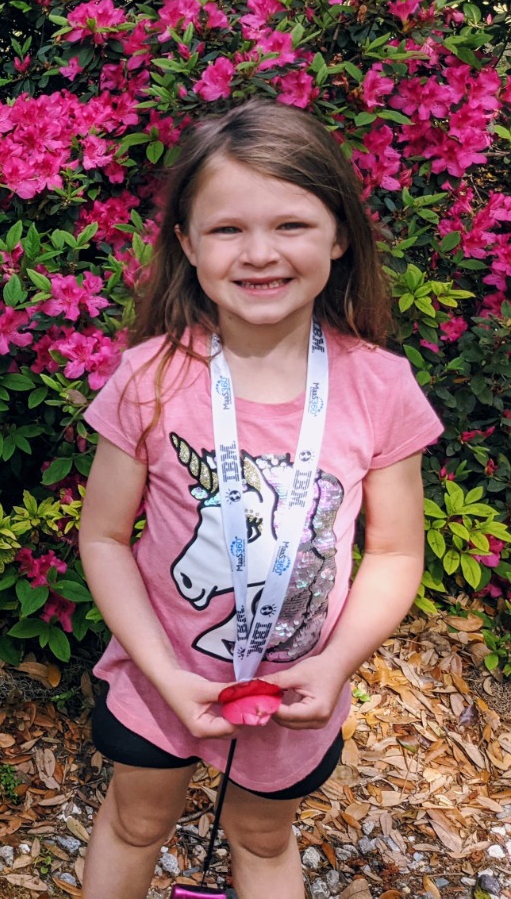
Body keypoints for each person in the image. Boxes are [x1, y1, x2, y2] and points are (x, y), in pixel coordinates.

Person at [77, 101, 442, 899]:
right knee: (135, 822)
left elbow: (394, 551)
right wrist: (164, 675)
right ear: (186, 243)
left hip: (294, 699)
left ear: (340, 235)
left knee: (264, 841)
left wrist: (336, 663)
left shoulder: (380, 387)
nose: (260, 253)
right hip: (158, 682)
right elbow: (104, 538)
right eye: (227, 229)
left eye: (291, 224)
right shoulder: (150, 376)